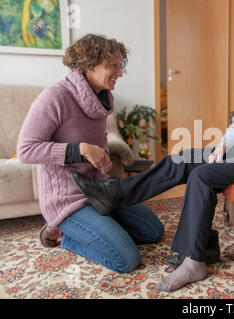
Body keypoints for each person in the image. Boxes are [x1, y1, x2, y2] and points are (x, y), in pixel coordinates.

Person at [71, 21, 234, 291]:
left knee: (202, 175)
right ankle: (116, 193)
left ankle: (195, 260)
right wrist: (223, 145)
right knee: (181, 159)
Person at [16, 34, 164, 273]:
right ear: (89, 64)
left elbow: (99, 140)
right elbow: (25, 150)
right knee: (126, 259)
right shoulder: (56, 96)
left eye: (120, 65)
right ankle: (66, 235)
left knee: (153, 231)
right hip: (67, 199)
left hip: (99, 191)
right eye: (113, 66)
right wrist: (81, 149)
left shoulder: (102, 98)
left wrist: (102, 158)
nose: (119, 73)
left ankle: (98, 227)